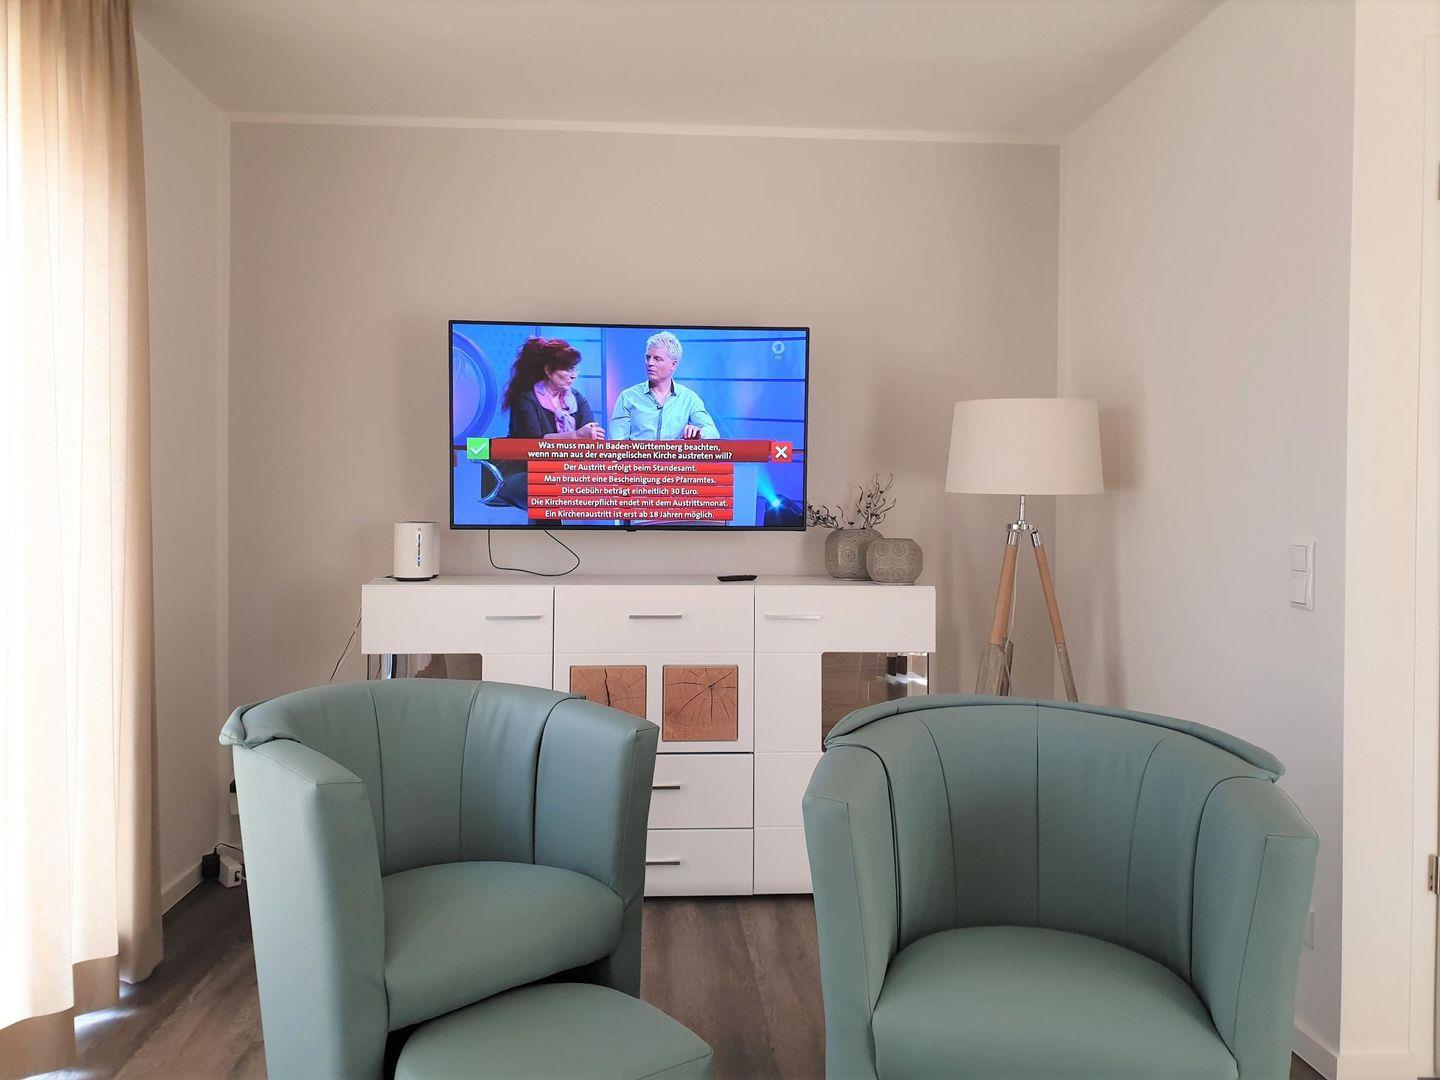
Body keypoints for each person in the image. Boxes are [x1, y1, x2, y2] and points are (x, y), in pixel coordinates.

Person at [495, 337, 603, 508]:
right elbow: (533, 445)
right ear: (548, 370)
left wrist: (591, 437)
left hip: (567, 473)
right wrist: (575, 436)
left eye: (574, 369)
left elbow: (590, 436)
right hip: (526, 472)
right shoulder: (526, 399)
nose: (574, 375)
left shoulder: (577, 399)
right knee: (549, 487)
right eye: (567, 369)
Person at [609, 331, 719, 440]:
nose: (650, 363)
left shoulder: (689, 399)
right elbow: (617, 444)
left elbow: (713, 432)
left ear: (673, 364)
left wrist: (700, 433)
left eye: (657, 359)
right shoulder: (628, 397)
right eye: (648, 357)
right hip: (637, 453)